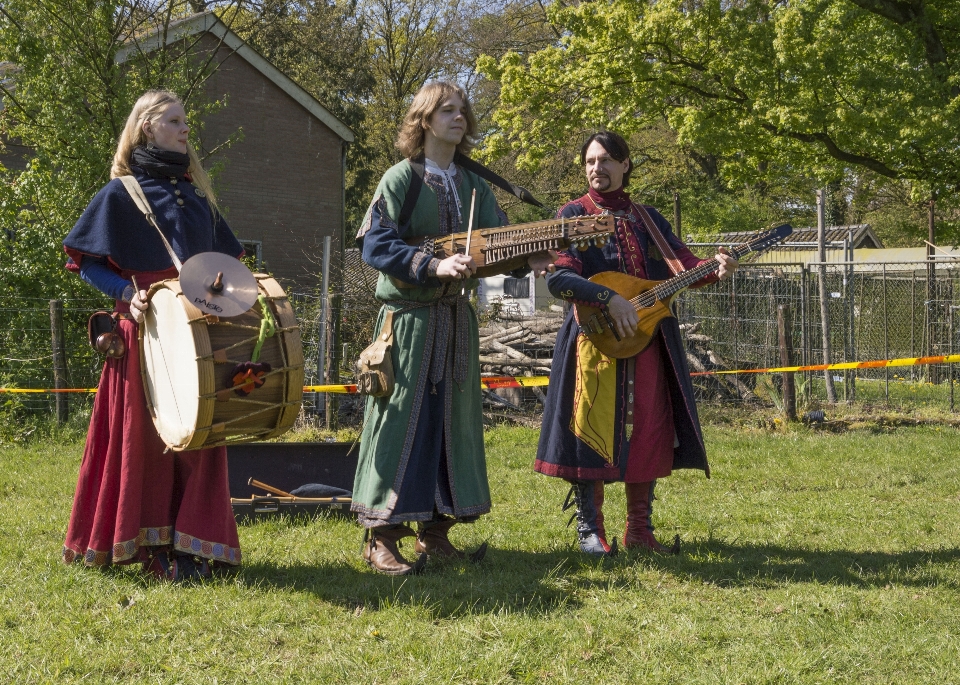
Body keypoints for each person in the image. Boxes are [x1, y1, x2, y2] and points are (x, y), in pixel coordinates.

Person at [353, 81, 554, 575]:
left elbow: (495, 246)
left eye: (463, 109)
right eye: (447, 109)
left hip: (455, 323)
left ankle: (435, 534)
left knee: (451, 426)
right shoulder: (400, 178)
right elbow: (374, 245)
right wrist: (429, 264)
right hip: (408, 322)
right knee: (398, 424)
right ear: (424, 119)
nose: (459, 116)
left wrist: (530, 255)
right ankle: (380, 536)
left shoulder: (474, 184)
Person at [61, 90, 244, 580]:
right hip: (141, 332)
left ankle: (196, 547)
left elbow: (227, 266)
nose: (186, 129)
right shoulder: (120, 194)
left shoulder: (199, 200)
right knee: (145, 444)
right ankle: (147, 547)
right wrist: (126, 290)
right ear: (146, 127)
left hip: (200, 333)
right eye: (174, 120)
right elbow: (88, 264)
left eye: (186, 121)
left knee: (202, 438)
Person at [535, 131, 738, 556]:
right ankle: (591, 531)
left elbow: (683, 266)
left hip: (647, 338)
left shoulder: (648, 219)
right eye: (590, 161)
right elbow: (559, 275)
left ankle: (639, 532)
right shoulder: (573, 213)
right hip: (594, 338)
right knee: (591, 428)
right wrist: (609, 297)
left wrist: (715, 268)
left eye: (606, 160)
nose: (597, 168)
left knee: (647, 428)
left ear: (626, 165)